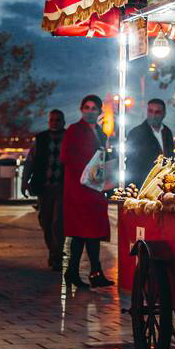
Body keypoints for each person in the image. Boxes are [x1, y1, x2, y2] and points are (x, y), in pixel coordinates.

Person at [60, 95, 113, 289]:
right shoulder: (74, 130)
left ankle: (78, 271)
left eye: (94, 108)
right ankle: (90, 272)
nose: (90, 111)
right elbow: (65, 156)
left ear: (99, 111)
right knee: (83, 231)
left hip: (94, 188)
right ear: (81, 109)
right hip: (79, 188)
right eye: (87, 108)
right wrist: (87, 172)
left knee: (89, 232)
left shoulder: (100, 132)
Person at [22, 109, 66, 271]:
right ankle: (54, 251)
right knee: (46, 221)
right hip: (44, 187)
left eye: (58, 120)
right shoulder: (41, 139)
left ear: (63, 122)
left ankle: (57, 255)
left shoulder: (68, 138)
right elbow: (30, 161)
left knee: (58, 223)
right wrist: (24, 181)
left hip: (62, 187)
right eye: (52, 120)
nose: (55, 123)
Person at [126, 98, 174, 188]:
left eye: (157, 112)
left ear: (164, 114)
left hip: (163, 184)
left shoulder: (167, 132)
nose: (153, 115)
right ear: (147, 112)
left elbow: (170, 157)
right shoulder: (136, 133)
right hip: (142, 185)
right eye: (150, 111)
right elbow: (131, 164)